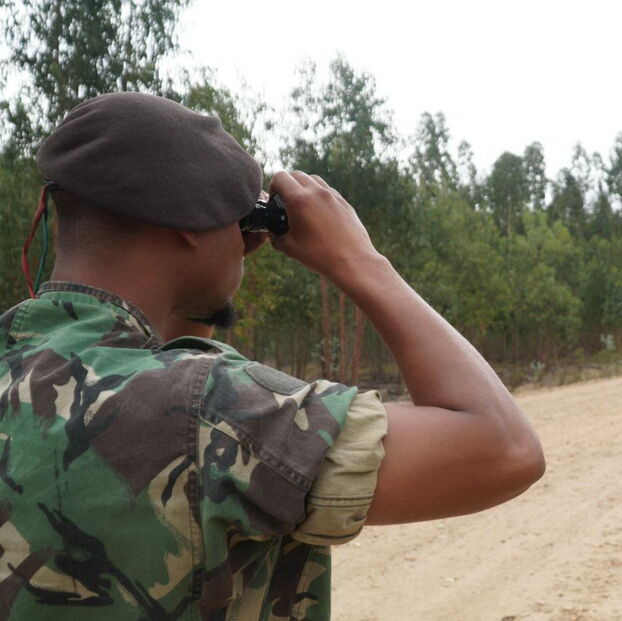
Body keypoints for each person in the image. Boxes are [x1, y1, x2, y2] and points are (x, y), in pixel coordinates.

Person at [0, 92, 545, 620]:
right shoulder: (216, 414)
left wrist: (202, 282)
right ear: (189, 226)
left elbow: (155, 372)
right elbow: (504, 449)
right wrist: (359, 259)